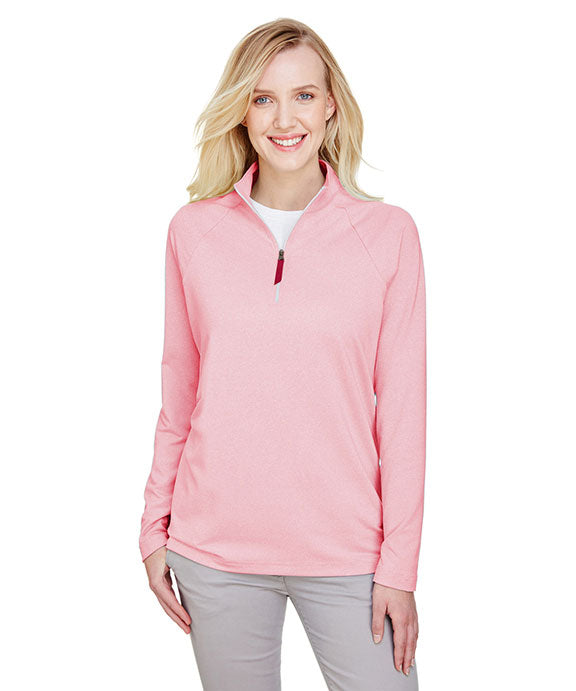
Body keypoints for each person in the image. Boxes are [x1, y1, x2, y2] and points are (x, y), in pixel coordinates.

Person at [139, 17, 426, 691]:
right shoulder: (193, 232)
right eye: (263, 98)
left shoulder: (388, 235)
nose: (284, 118)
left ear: (331, 107)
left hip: (348, 551)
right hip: (215, 550)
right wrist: (154, 526)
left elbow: (404, 416)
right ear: (242, 111)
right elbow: (179, 396)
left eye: (303, 95)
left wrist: (401, 565)